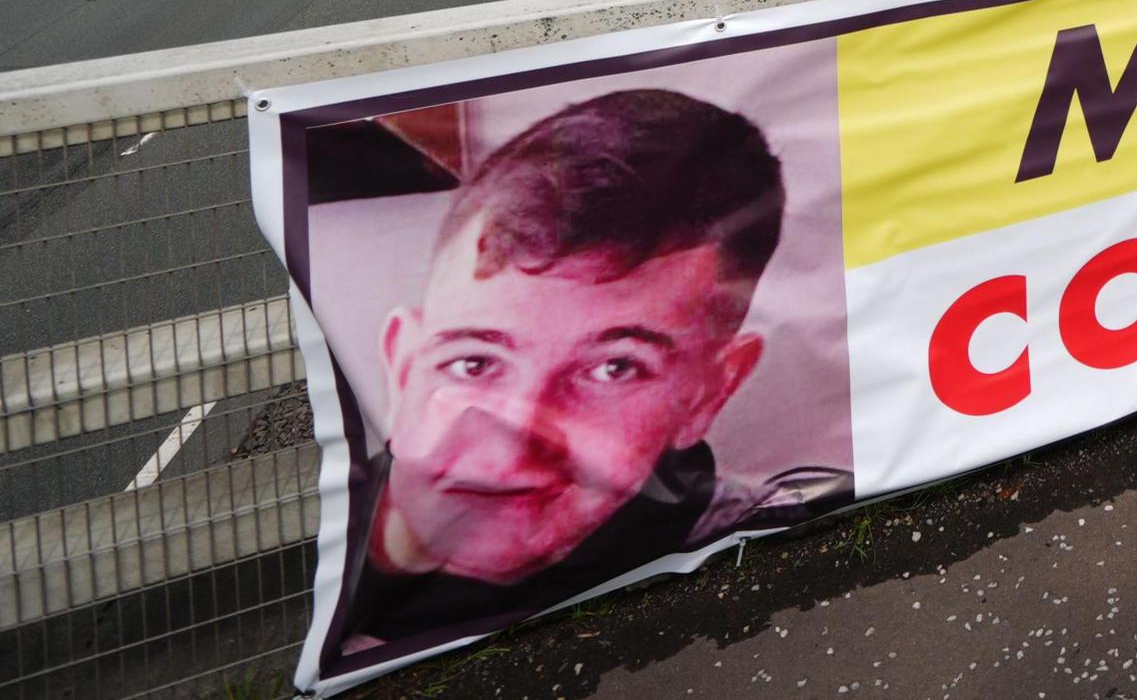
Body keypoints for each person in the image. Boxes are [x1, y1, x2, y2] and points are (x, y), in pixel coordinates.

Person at [332, 88, 849, 662]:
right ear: (403, 363)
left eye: (614, 368)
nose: (507, 457)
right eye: (475, 362)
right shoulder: (330, 538)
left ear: (711, 392)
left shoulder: (757, 530)